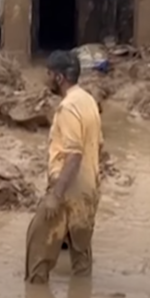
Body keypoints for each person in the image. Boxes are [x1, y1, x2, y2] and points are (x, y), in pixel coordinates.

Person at [25, 50, 103, 284]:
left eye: (49, 74)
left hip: (68, 191)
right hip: (89, 189)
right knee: (81, 259)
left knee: (37, 252)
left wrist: (56, 195)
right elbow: (98, 145)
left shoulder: (68, 108)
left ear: (59, 78)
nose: (46, 78)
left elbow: (74, 154)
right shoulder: (88, 101)